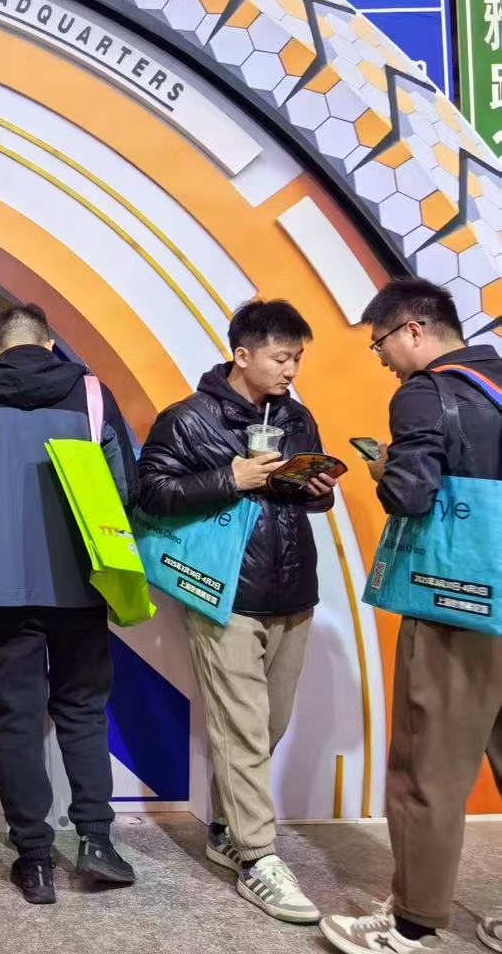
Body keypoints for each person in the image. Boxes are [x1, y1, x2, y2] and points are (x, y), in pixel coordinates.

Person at [136, 300, 336, 925]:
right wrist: (232, 477)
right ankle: (257, 858)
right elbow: (150, 494)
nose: (292, 370)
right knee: (243, 728)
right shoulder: (187, 419)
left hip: (294, 592)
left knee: (268, 725)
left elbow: (305, 502)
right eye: (282, 358)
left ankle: (226, 829)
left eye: (298, 358)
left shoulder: (296, 417)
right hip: (223, 594)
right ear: (242, 355)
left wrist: (318, 492)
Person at [323, 279, 502, 954]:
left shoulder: (425, 393)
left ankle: (411, 924)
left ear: (413, 329)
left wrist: (383, 469)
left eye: (380, 346)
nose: (383, 361)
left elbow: (410, 494)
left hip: (460, 601)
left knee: (426, 766)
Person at [0, 304, 139, 905]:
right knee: (83, 710)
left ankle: (33, 858)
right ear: (50, 343)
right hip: (81, 582)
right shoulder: (92, 395)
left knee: (18, 720)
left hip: (2, 587)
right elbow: (124, 487)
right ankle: (97, 842)